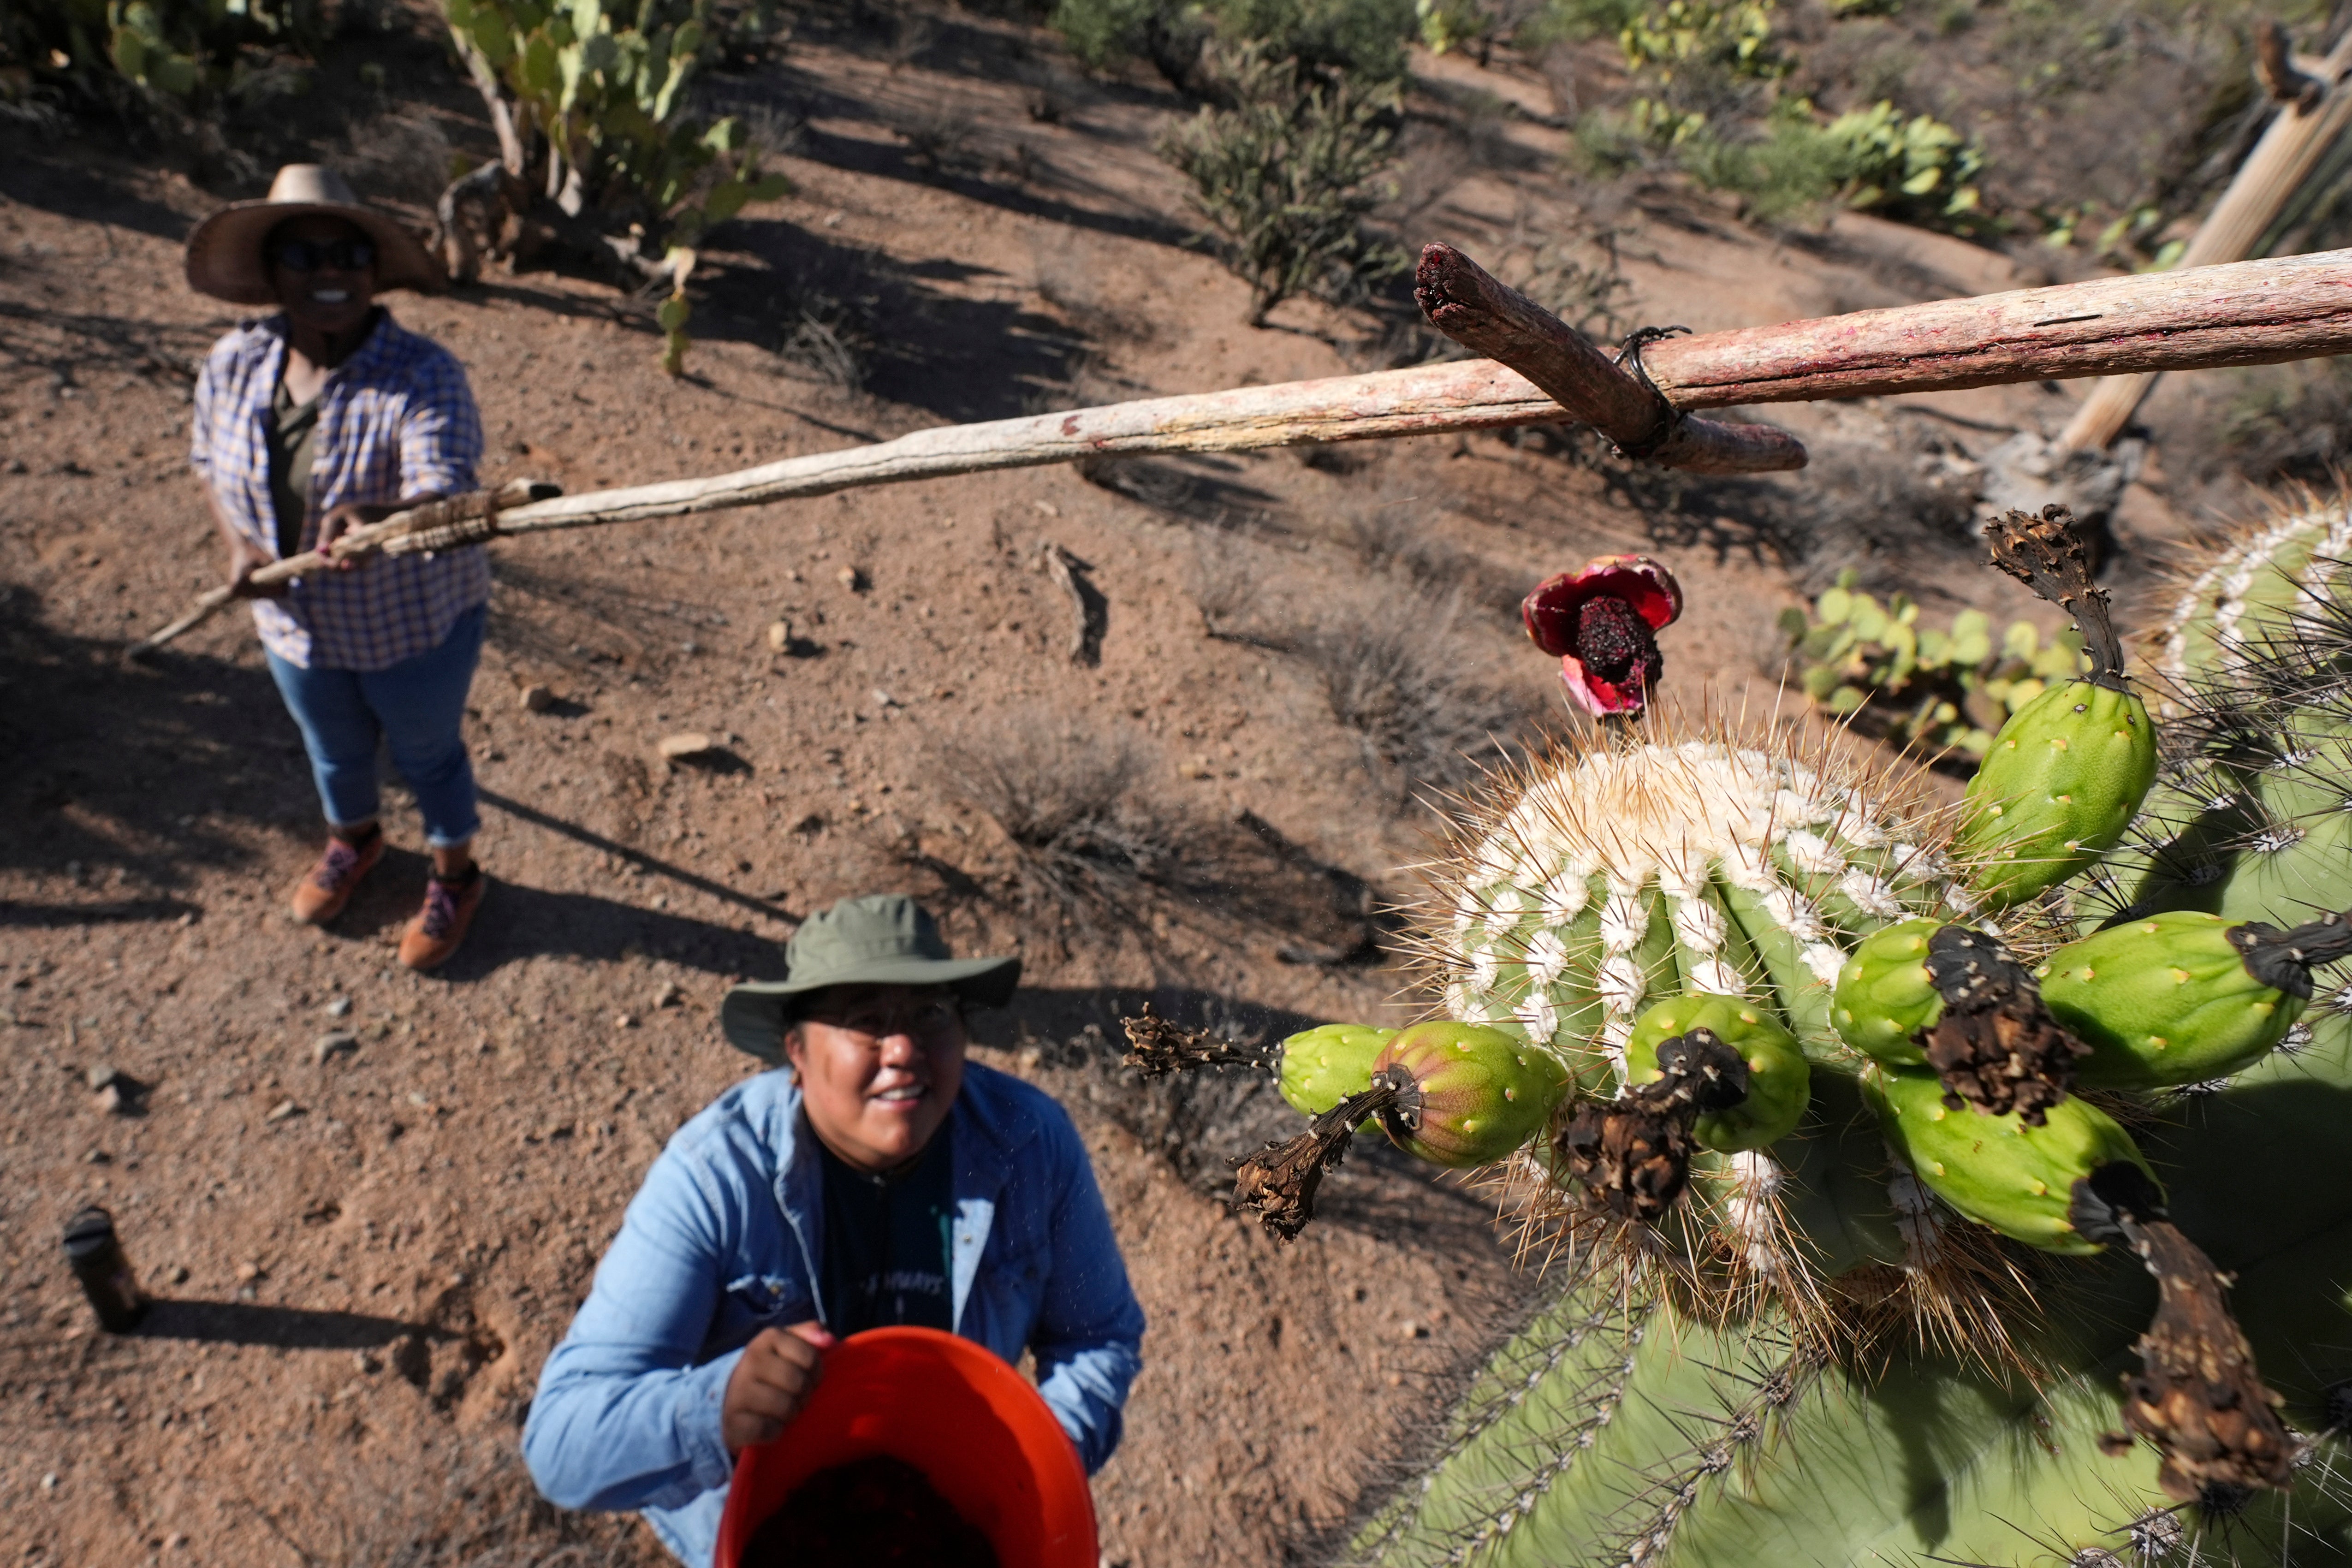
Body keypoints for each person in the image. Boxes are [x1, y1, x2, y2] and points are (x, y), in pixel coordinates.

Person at [522, 895, 1146, 1564]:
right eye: (866, 1020)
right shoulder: (717, 1178)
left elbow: (1098, 1333)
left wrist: (1038, 1457)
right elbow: (562, 1443)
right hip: (771, 1525)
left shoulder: (1030, 1144)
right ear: (797, 1051)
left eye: (931, 1013)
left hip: (950, 1520)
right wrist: (716, 1408)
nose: (904, 1048)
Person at [184, 164, 490, 970]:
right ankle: (355, 841)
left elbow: (445, 484)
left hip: (411, 621)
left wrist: (383, 521)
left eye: (348, 256)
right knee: (332, 748)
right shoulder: (233, 362)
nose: (329, 273)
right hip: (290, 622)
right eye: (304, 256)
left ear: (373, 271)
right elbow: (209, 464)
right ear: (271, 274)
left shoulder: (423, 374)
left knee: (429, 755)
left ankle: (457, 876)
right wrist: (239, 546)